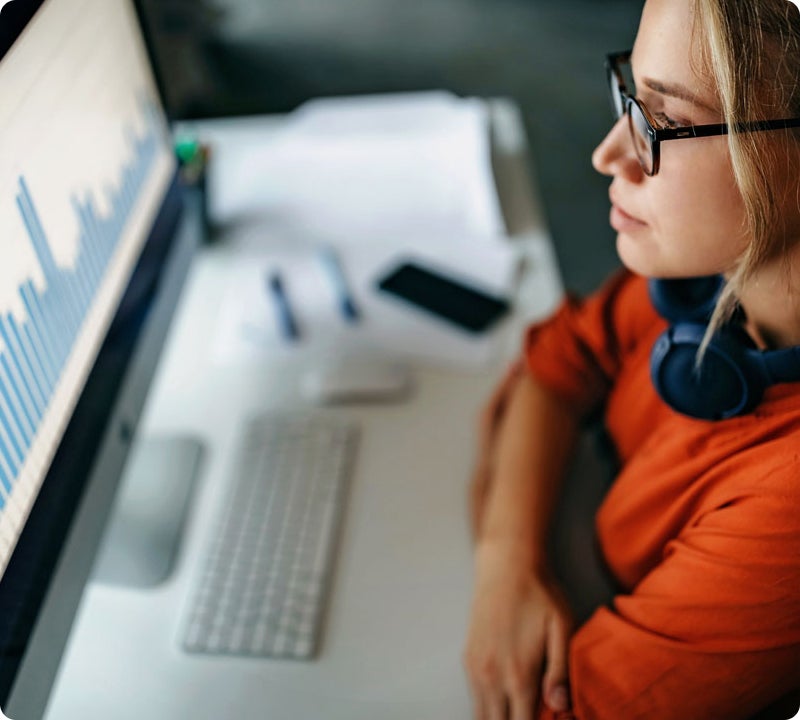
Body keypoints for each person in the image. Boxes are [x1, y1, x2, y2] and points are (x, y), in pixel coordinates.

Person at [463, 0, 800, 718]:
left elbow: (563, 707)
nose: (609, 153)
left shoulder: (788, 514)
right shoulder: (710, 272)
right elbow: (559, 359)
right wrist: (505, 564)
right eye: (631, 96)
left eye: (666, 123)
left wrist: (501, 492)